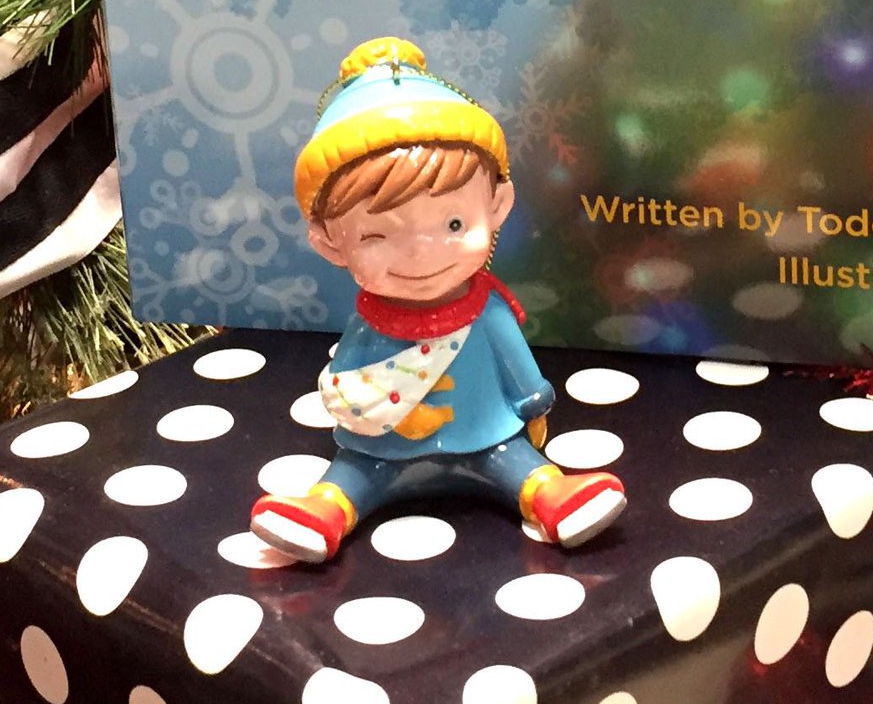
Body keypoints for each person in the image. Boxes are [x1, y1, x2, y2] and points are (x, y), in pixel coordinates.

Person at [249, 38, 627, 563]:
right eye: (376, 236)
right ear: (330, 244)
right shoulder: (370, 323)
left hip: (486, 437)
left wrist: (534, 403)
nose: (421, 253)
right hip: (383, 450)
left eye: (453, 224)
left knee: (519, 463)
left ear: (498, 206)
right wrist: (364, 406)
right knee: (350, 475)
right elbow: (351, 381)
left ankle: (554, 496)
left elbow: (518, 365)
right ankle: (324, 511)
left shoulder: (486, 310)